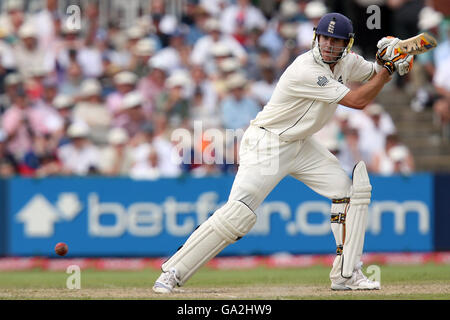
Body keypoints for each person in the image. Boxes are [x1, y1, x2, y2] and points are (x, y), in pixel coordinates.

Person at [153, 12, 413, 293]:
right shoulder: (306, 69)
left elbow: (374, 74)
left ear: (346, 44)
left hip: (301, 144)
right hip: (267, 144)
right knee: (239, 215)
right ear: (316, 37)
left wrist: (391, 58)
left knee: (348, 192)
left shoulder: (348, 62)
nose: (327, 45)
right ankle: (172, 272)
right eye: (324, 37)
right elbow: (359, 99)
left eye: (335, 41)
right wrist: (388, 71)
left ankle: (346, 274)